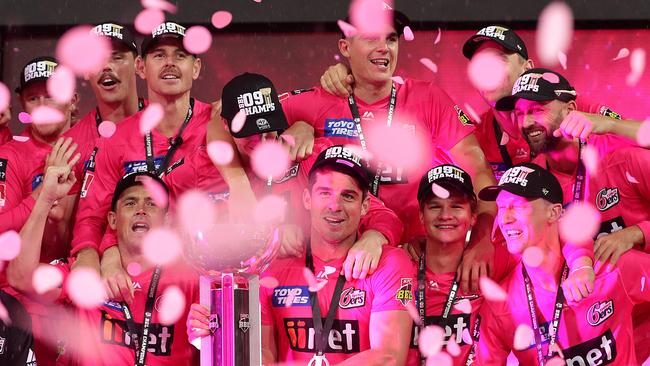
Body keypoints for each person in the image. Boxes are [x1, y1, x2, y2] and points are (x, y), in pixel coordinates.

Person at [280, 8, 498, 294]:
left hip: (415, 262)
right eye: (371, 38)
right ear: (345, 47)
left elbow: (479, 171)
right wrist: (297, 126)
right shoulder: (316, 102)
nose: (384, 48)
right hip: (337, 274)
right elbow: (228, 117)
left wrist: (482, 238)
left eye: (392, 39)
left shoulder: (426, 98)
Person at [71, 21, 255, 304]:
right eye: (159, 55)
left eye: (180, 55)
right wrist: (89, 256)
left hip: (217, 276)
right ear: (141, 68)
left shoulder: (223, 123)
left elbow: (274, 134)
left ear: (196, 67)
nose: (170, 63)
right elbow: (92, 215)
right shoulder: (114, 140)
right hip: (143, 284)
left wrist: (300, 127)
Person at [188, 145, 415, 365]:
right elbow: (264, 355)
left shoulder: (389, 263)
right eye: (324, 193)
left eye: (348, 196)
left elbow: (388, 356)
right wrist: (218, 335)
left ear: (365, 206)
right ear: (307, 199)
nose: (335, 205)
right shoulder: (272, 265)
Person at [496, 69, 650, 360]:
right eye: (519, 113)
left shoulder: (620, 157)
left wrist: (637, 232)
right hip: (607, 336)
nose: (527, 122)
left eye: (538, 109)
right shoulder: (532, 190)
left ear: (570, 109)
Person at [7, 169, 199, 365]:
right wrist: (45, 200)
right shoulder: (88, 274)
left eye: (152, 204)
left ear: (167, 222)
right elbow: (20, 277)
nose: (141, 209)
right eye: (130, 203)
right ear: (113, 220)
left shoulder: (188, 281)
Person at [475, 162, 650, 365]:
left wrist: (640, 231)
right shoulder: (501, 306)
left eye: (518, 206)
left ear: (554, 213)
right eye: (502, 207)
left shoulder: (610, 267)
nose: (505, 218)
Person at [405, 165, 518, 365]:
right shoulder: (399, 266)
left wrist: (582, 262)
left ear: (473, 216)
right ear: (421, 215)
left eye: (456, 206)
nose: (445, 215)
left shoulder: (492, 260)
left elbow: (548, 244)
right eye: (435, 206)